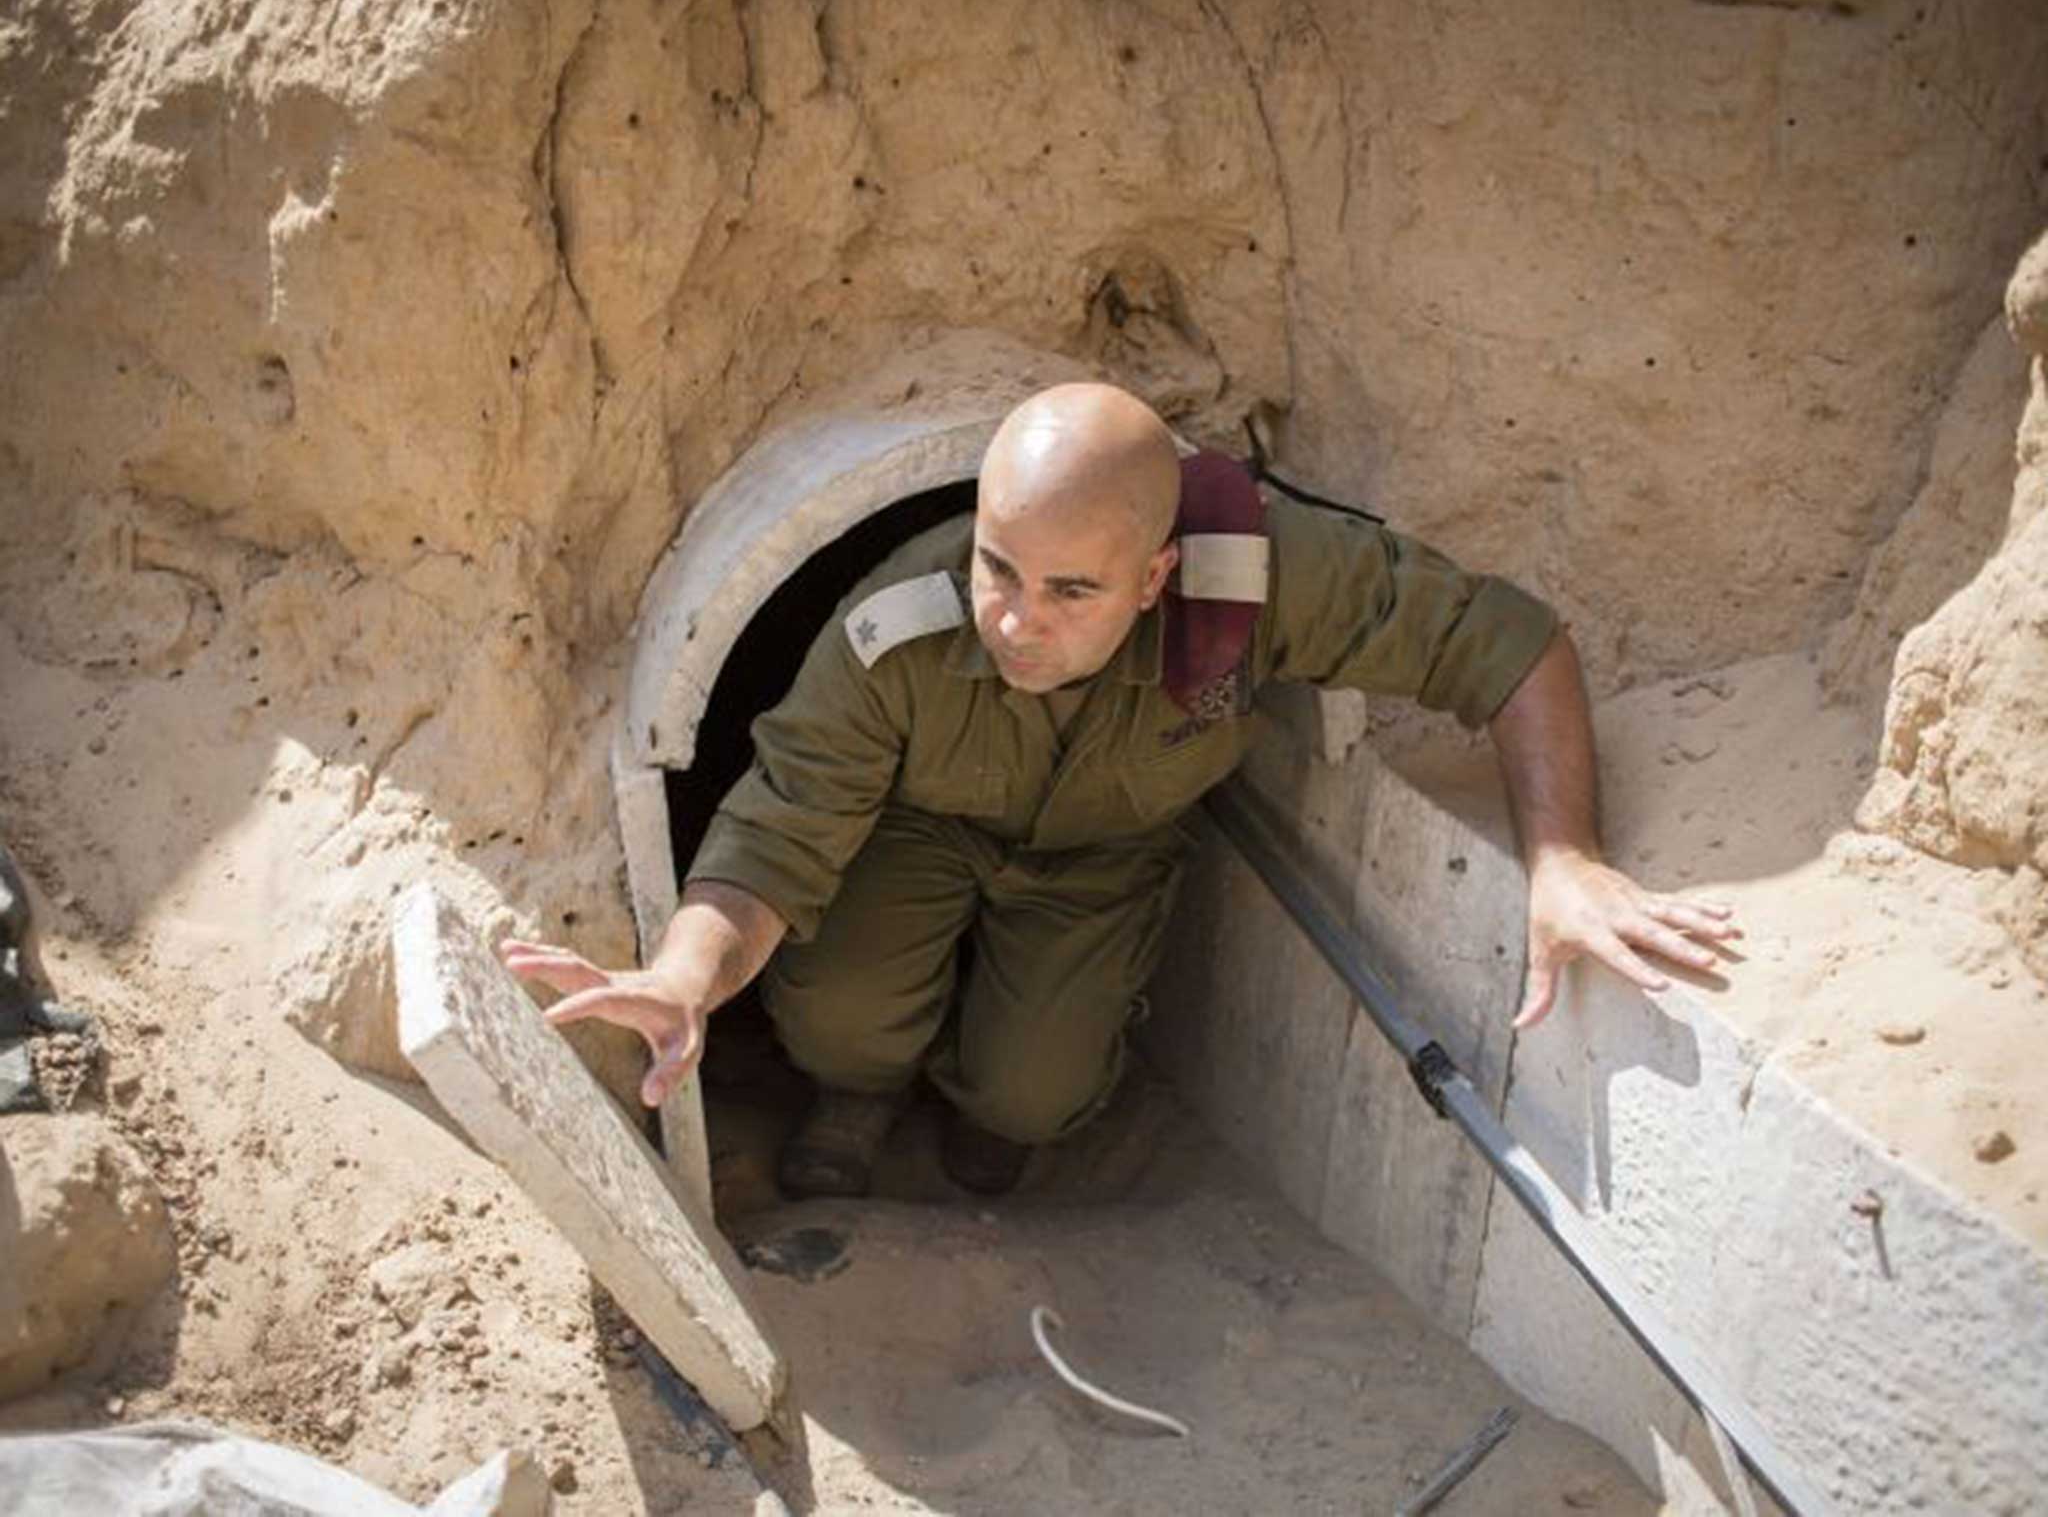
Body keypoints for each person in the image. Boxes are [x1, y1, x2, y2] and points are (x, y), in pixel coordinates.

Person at [502, 383, 1738, 1196]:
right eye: (997, 568)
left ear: (1154, 579)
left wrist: (1562, 857)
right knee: (834, 1012)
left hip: (1102, 850)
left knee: (1031, 1101)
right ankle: (857, 1097)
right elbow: (770, 843)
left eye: (1067, 594)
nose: (1012, 622)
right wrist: (679, 978)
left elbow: (1507, 644)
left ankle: (986, 1112)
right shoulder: (893, 630)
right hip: (913, 829)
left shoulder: (1257, 578)